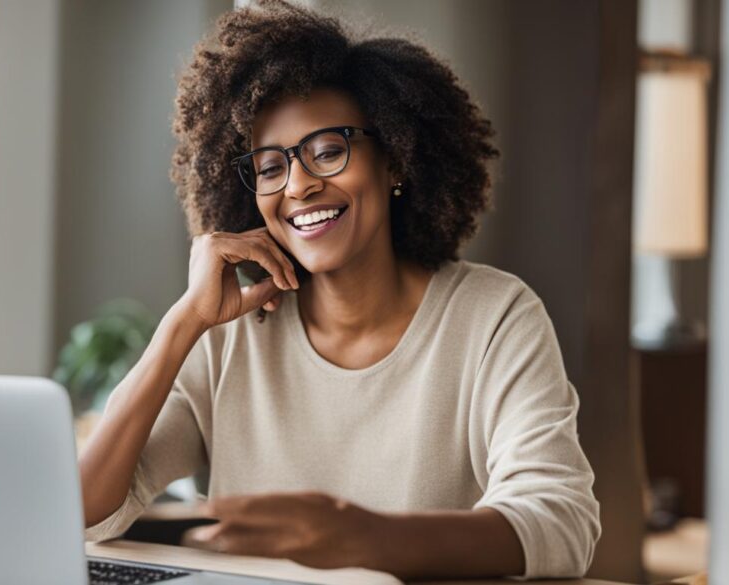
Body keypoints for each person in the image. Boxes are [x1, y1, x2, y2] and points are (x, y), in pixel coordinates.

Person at [78, 0, 601, 580]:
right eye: (271, 167)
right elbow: (83, 514)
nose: (299, 185)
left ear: (395, 161)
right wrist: (182, 323)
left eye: (329, 151)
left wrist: (363, 536)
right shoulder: (230, 334)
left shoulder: (493, 317)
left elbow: (560, 523)